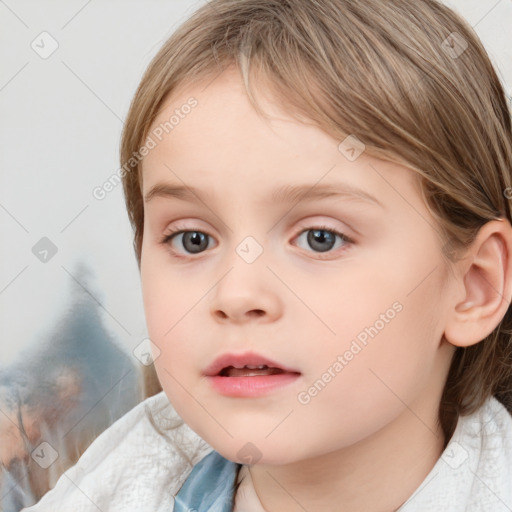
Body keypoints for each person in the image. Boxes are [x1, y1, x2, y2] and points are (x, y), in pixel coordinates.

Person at [22, 0, 512, 510]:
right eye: (193, 239)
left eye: (320, 237)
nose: (237, 294)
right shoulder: (107, 488)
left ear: (474, 286)